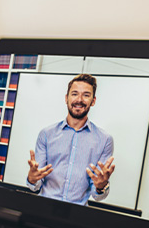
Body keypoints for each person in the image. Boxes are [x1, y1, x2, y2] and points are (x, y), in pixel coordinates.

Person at [25, 74, 116, 206]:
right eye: (74, 94)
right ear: (66, 98)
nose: (79, 100)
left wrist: (101, 186)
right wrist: (32, 179)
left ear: (93, 101)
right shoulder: (46, 134)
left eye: (86, 95)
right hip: (43, 208)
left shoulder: (105, 140)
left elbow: (97, 195)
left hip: (77, 215)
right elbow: (36, 184)